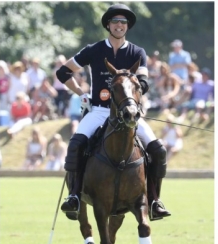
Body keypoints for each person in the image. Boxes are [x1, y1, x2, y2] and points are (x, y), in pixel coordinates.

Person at [55, 4, 170, 222]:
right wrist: (81, 93)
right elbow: (63, 72)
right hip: (99, 110)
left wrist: (132, 98)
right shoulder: (94, 50)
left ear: (128, 26)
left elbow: (144, 82)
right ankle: (74, 196)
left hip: (128, 113)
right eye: (115, 21)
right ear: (108, 24)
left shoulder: (137, 52)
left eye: (123, 22)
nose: (119, 25)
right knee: (76, 144)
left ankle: (155, 201)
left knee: (159, 150)